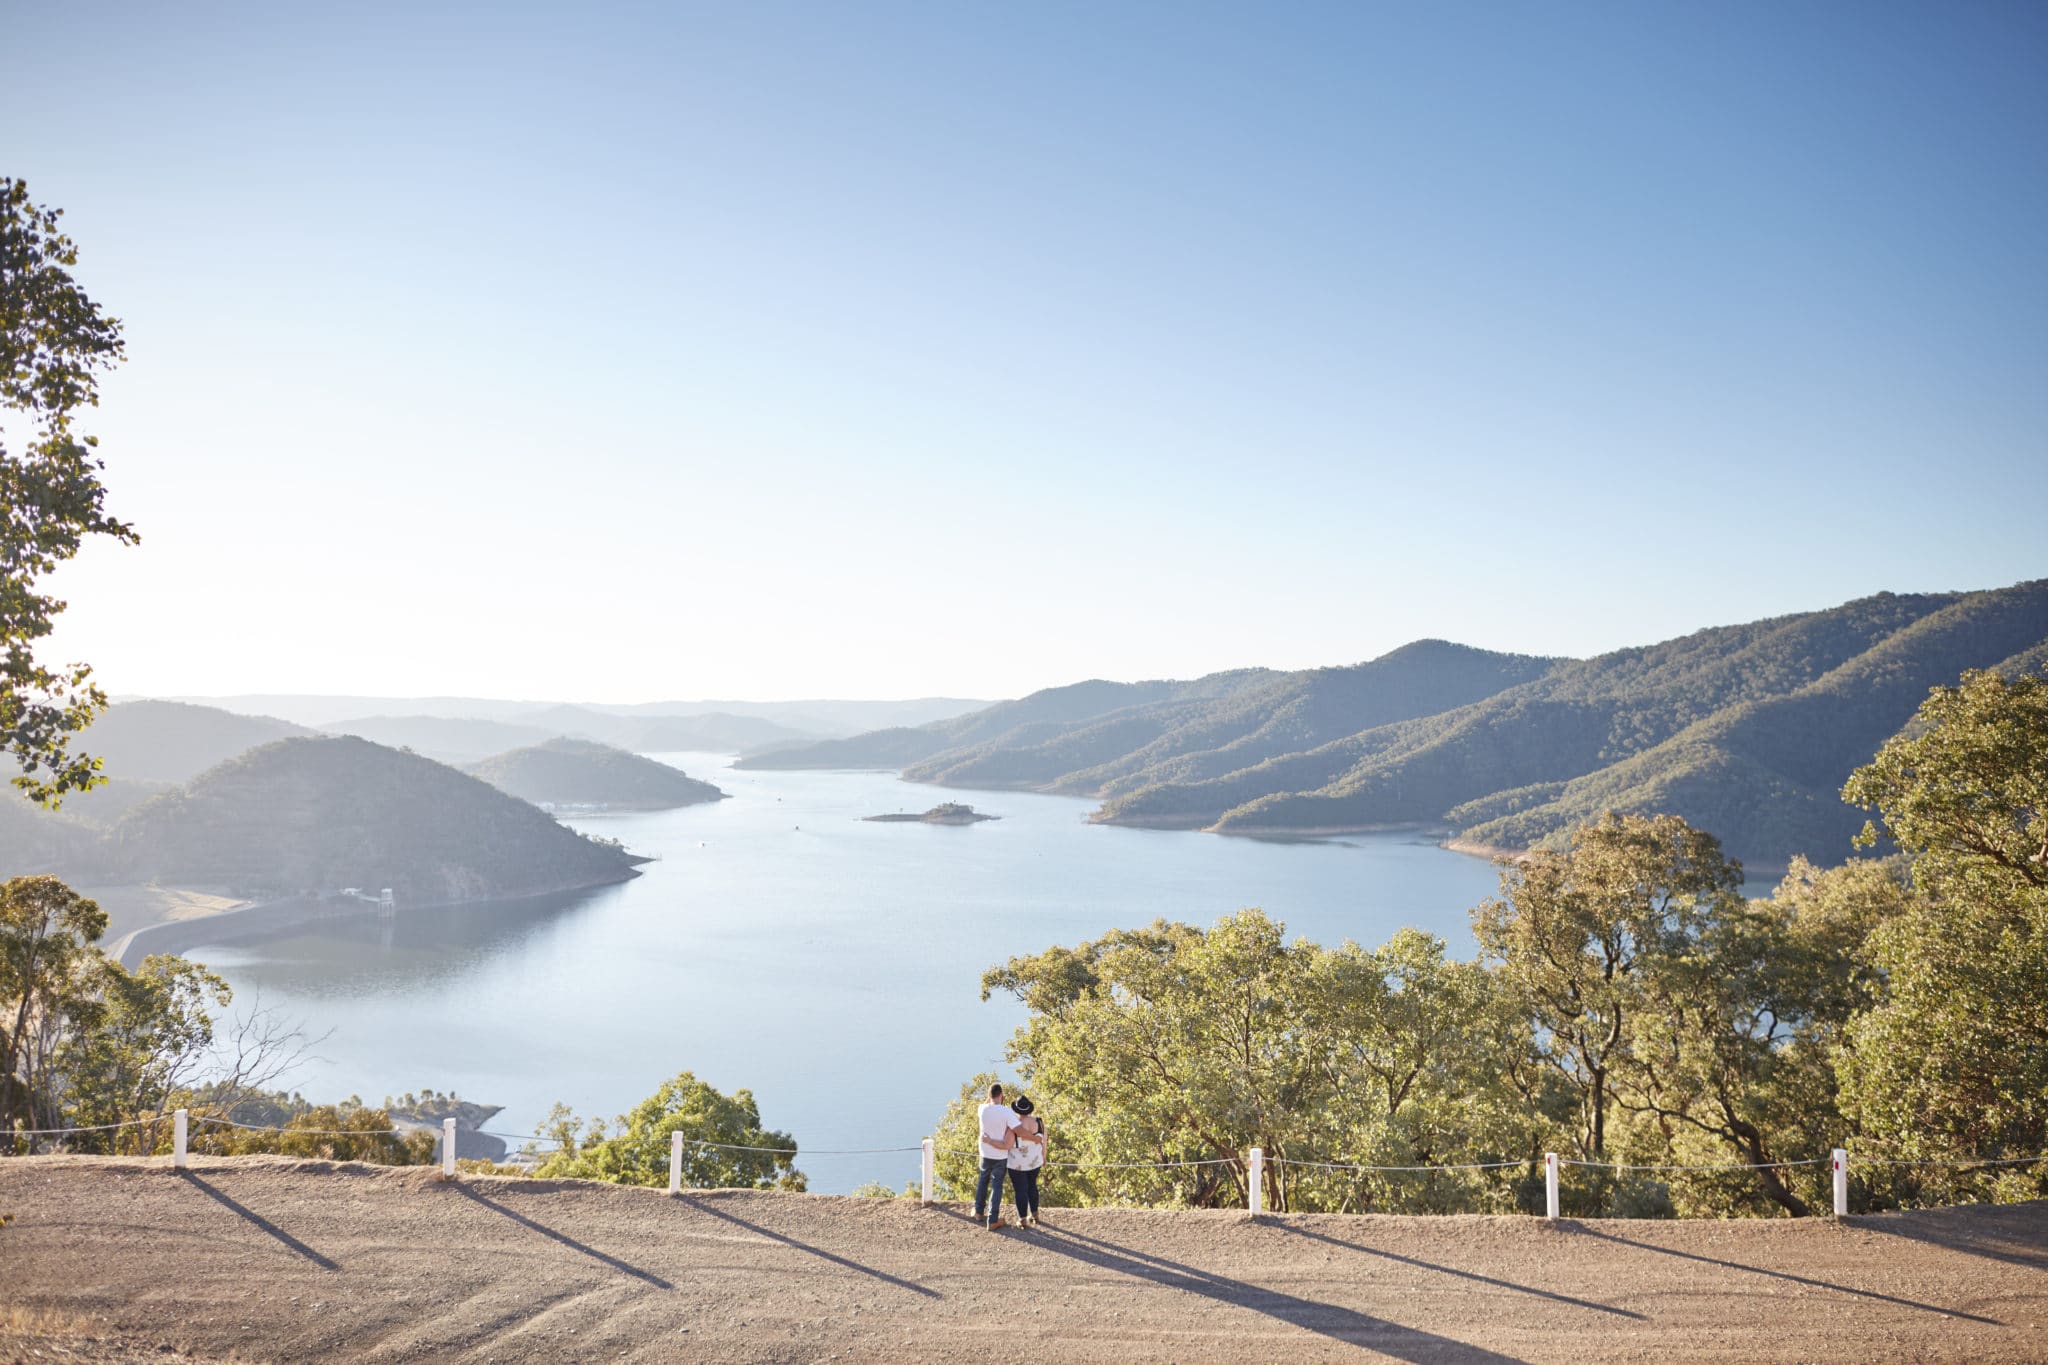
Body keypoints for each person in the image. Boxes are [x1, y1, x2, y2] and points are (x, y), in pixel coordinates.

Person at [974, 1082, 1022, 1230]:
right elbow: (1018, 1129)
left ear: (989, 1096)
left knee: (983, 1180)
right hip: (1000, 1155)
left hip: (985, 1152)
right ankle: (993, 1219)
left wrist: (990, 1099)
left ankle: (978, 1212)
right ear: (1001, 1095)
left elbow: (986, 1103)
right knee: (996, 1186)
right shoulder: (1007, 1112)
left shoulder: (981, 1109)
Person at [1007, 1094, 1046, 1227]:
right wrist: (1044, 1157)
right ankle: (1035, 1215)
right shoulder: (1039, 1121)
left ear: (1017, 1110)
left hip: (1016, 1163)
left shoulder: (1014, 1124)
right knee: (1032, 1186)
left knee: (1020, 1190)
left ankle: (1022, 1219)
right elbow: (1044, 1141)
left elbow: (1008, 1143)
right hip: (1035, 1161)